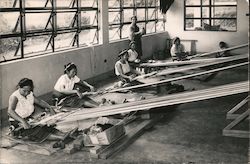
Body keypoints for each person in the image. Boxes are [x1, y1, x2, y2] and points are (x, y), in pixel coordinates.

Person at [8, 78, 69, 143]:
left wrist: (49, 107)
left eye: (28, 91)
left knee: (46, 125)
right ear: (19, 87)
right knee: (36, 131)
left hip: (28, 119)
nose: (26, 93)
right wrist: (23, 121)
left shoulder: (30, 94)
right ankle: (61, 137)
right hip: (17, 121)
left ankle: (63, 134)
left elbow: (39, 102)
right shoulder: (15, 97)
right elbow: (10, 111)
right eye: (24, 91)